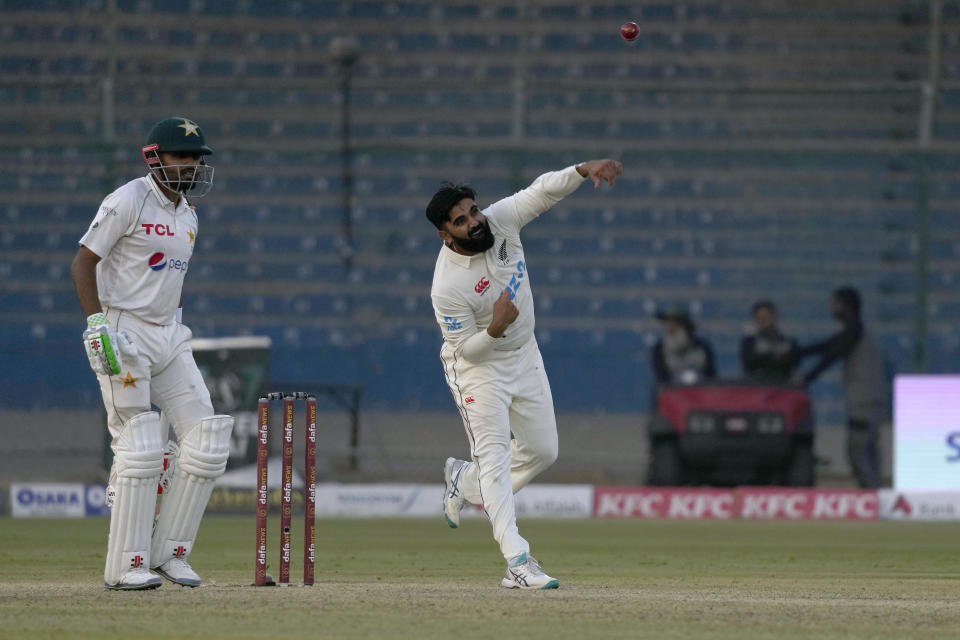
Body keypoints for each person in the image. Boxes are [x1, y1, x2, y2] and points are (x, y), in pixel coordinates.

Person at [427, 159, 622, 590]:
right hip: (478, 370)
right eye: (461, 221)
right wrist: (493, 328)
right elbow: (465, 350)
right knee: (494, 458)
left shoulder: (500, 223)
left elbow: (541, 192)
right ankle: (518, 560)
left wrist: (582, 170)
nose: (475, 222)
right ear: (446, 234)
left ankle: (465, 481)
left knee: (543, 450)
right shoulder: (446, 287)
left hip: (524, 355)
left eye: (473, 211)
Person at [70, 117, 234, 590]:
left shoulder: (189, 215)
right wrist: (96, 324)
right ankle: (126, 565)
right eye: (183, 156)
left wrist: (175, 328)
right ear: (155, 158)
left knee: (206, 439)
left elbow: (171, 284)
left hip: (169, 334)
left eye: (197, 157)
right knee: (141, 446)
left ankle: (170, 553)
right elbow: (83, 263)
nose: (193, 165)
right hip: (123, 330)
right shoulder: (128, 200)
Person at [793, 286, 888, 488]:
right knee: (866, 451)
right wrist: (798, 352)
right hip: (868, 403)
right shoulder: (856, 331)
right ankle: (874, 492)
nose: (832, 309)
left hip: (865, 404)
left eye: (836, 304)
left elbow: (832, 353)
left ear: (847, 306)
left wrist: (807, 377)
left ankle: (871, 495)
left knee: (859, 451)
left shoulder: (855, 331)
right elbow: (828, 345)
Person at [651, 307, 716, 387]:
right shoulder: (660, 350)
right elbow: (661, 379)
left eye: (674, 323)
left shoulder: (702, 348)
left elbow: (711, 377)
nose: (669, 328)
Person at [740, 299, 798, 384]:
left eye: (766, 317)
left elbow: (791, 365)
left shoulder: (788, 343)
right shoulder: (749, 343)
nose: (763, 321)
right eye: (759, 318)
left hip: (782, 388)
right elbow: (749, 365)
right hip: (759, 387)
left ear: (774, 317)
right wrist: (773, 357)